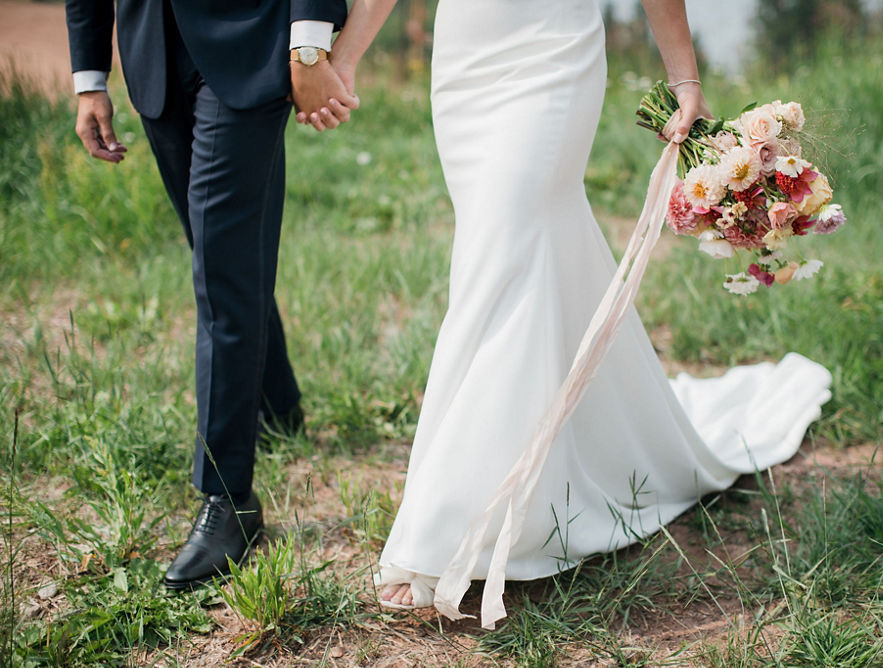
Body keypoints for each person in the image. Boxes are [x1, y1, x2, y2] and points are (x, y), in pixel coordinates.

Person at [312, 0, 832, 628]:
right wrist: (342, 59)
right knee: (507, 252)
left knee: (507, 249)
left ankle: (446, 530)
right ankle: (565, 458)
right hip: (465, 60)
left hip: (552, 54)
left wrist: (685, 80)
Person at [65, 0, 360, 589]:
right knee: (219, 257)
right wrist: (89, 77)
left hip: (252, 40)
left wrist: (309, 42)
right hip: (153, 49)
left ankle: (229, 500)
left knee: (222, 276)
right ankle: (278, 403)